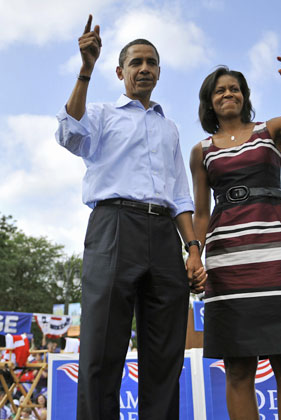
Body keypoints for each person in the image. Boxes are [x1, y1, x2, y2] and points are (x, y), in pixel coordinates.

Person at [55, 14, 207, 420]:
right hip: (114, 227)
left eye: (151, 62)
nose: (144, 68)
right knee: (102, 348)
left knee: (165, 354)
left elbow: (180, 194)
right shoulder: (103, 114)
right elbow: (70, 134)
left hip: (164, 236)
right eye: (136, 62)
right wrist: (85, 70)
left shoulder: (170, 128)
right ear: (120, 71)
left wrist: (193, 249)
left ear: (159, 72)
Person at [190, 47, 281, 420]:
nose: (229, 94)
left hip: (278, 258)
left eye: (235, 89)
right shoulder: (201, 151)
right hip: (227, 266)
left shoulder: (271, 130)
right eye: (220, 90)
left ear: (245, 97)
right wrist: (193, 255)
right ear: (209, 101)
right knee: (238, 369)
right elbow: (202, 213)